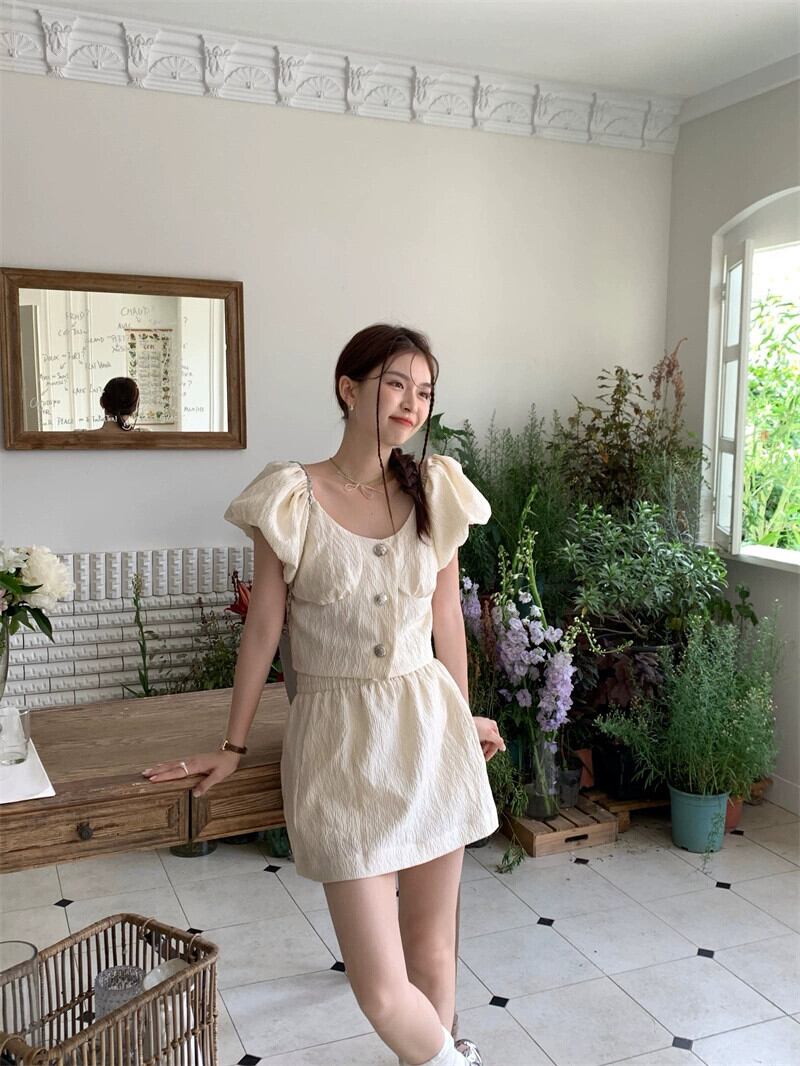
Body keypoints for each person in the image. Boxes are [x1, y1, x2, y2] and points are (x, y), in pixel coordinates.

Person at [141, 324, 506, 1065]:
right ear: (349, 388)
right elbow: (263, 629)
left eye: (424, 391)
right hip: (338, 746)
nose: (412, 403)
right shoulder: (291, 496)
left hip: (430, 731)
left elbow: (447, 621)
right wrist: (232, 745)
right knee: (380, 989)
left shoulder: (436, 488)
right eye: (396, 383)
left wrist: (465, 716)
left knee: (433, 952)